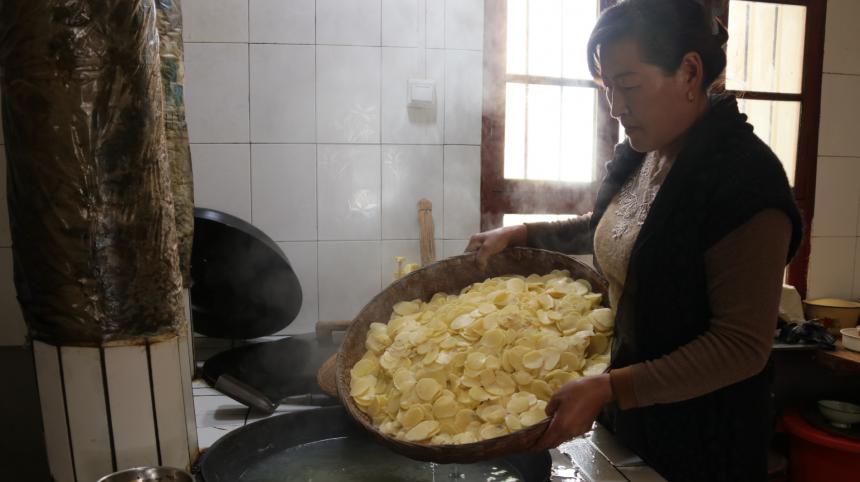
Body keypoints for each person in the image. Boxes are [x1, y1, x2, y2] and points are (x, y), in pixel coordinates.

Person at [465, 0, 803, 480]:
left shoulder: (744, 182)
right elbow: (610, 227)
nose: (615, 107)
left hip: (705, 444)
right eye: (608, 88)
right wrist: (522, 232)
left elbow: (740, 347)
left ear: (689, 72)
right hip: (632, 422)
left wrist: (610, 388)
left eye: (628, 86)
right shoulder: (646, 154)